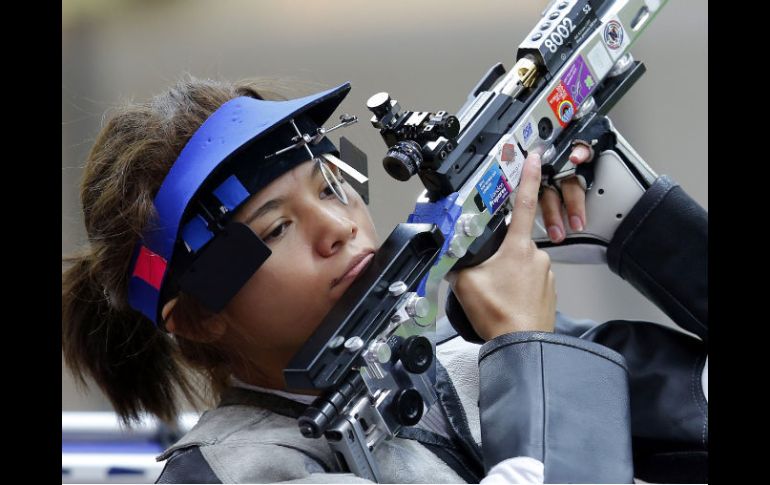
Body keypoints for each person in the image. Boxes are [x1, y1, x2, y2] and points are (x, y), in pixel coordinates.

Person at [62, 75, 707, 484]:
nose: (338, 227)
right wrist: (529, 348)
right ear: (200, 317)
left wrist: (640, 220)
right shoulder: (235, 473)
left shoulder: (469, 353)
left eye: (333, 186)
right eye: (275, 230)